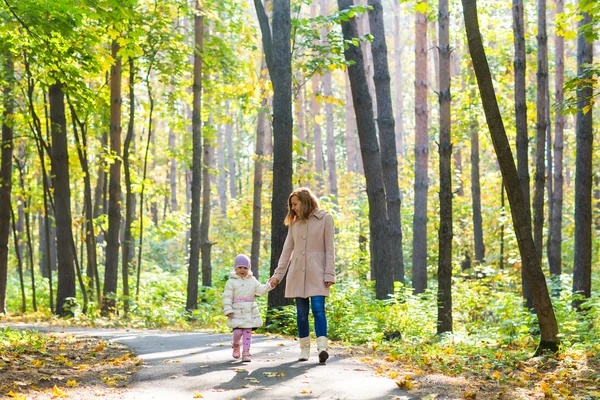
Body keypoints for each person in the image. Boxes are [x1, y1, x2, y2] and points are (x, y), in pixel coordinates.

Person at [268, 187, 335, 363]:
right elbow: (287, 250)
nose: (293, 208)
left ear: (305, 201)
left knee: (318, 309)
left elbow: (330, 249)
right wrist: (277, 276)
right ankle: (304, 349)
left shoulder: (325, 218)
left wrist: (329, 273)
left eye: (295, 204)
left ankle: (322, 348)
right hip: (297, 272)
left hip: (318, 272)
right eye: (292, 205)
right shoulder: (294, 223)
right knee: (301, 313)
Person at [222, 254, 273, 362]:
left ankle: (246, 353)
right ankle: (236, 345)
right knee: (237, 332)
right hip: (236, 311)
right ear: (235, 268)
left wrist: (269, 285)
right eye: (240, 267)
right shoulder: (231, 282)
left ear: (248, 268)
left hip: (249, 310)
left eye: (245, 268)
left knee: (247, 333)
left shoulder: (252, 280)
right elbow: (227, 296)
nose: (242, 270)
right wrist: (228, 309)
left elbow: (260, 290)